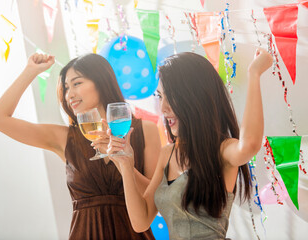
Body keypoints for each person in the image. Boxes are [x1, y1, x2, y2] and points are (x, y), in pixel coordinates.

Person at [0, 53, 161, 239]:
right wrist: (31, 71)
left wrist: (121, 161)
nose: (69, 94)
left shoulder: (144, 130)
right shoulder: (66, 138)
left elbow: (156, 197)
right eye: (66, 87)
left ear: (102, 81)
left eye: (77, 83)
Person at [107, 48, 273, 239]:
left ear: (194, 97)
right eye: (160, 96)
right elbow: (141, 221)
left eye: (171, 96)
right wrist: (126, 165)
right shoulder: (167, 154)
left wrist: (254, 73)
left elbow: (250, 145)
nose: (163, 108)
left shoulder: (222, 150)